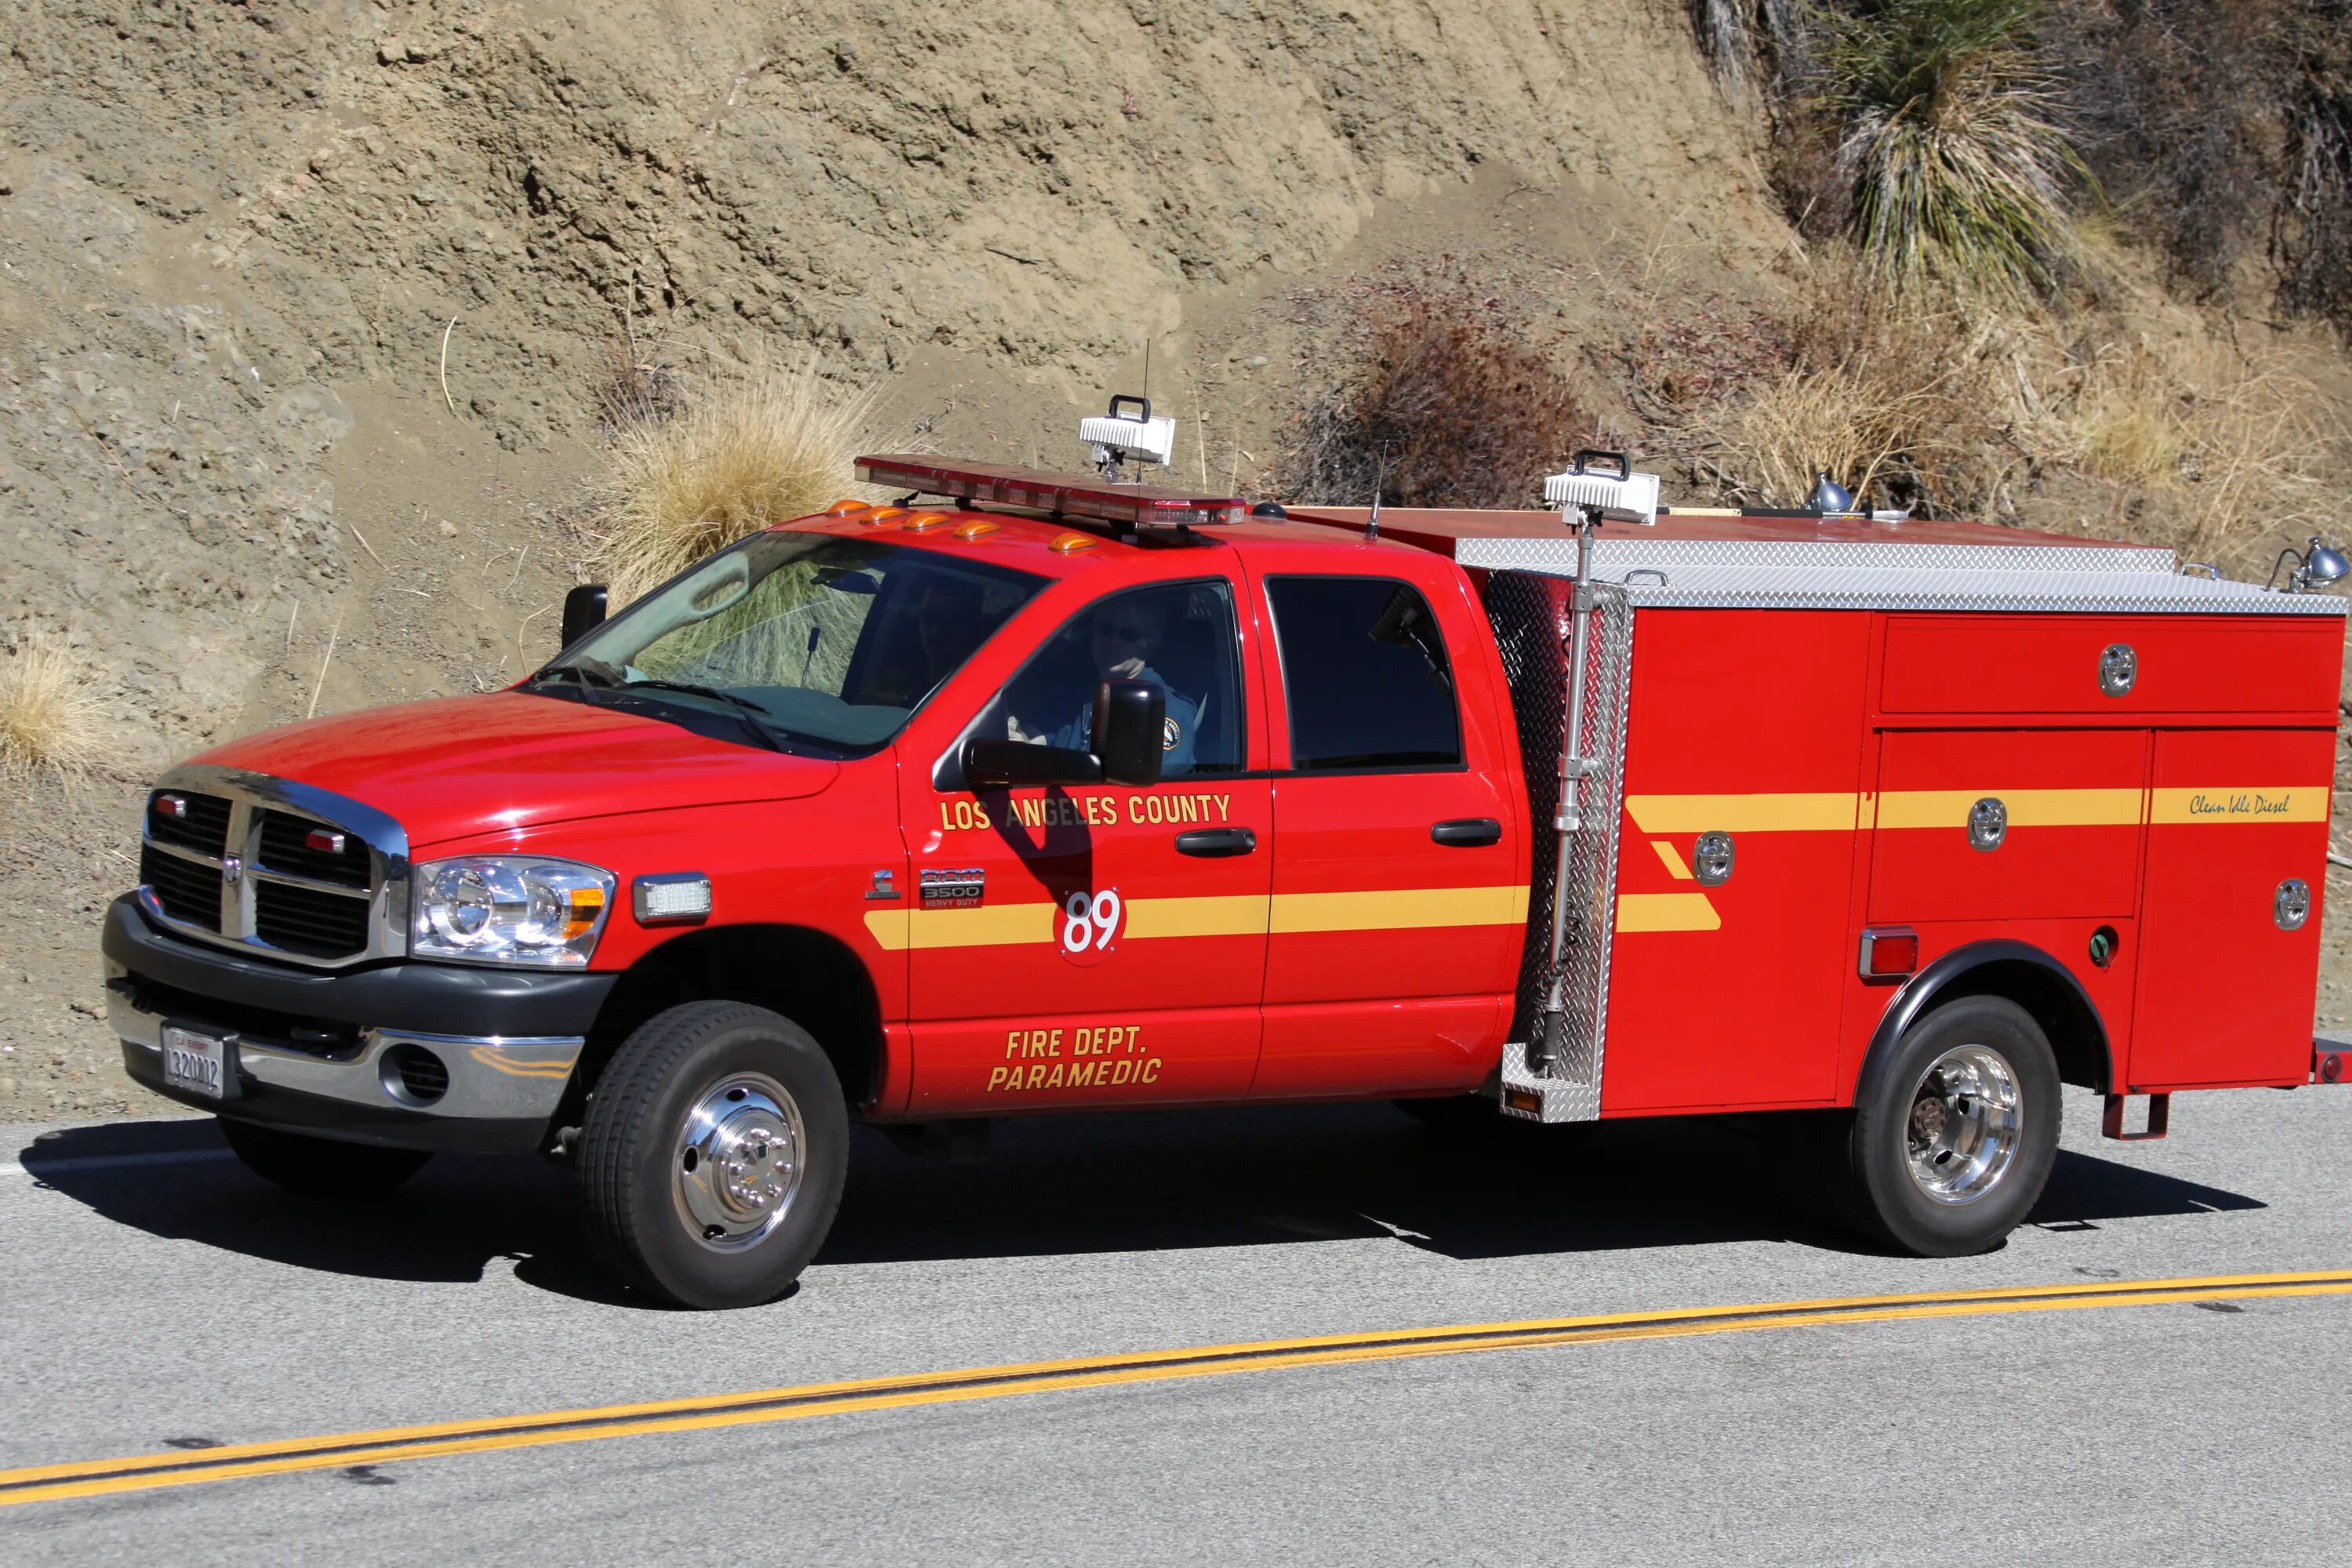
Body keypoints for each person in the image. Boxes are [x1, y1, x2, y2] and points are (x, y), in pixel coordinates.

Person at [1007, 593, 1200, 773]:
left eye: (1129, 635)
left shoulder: (1166, 710)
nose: (1113, 642)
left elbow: (1152, 792)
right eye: (1105, 630)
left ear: (1153, 644)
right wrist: (1015, 742)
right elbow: (1036, 741)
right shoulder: (1070, 697)